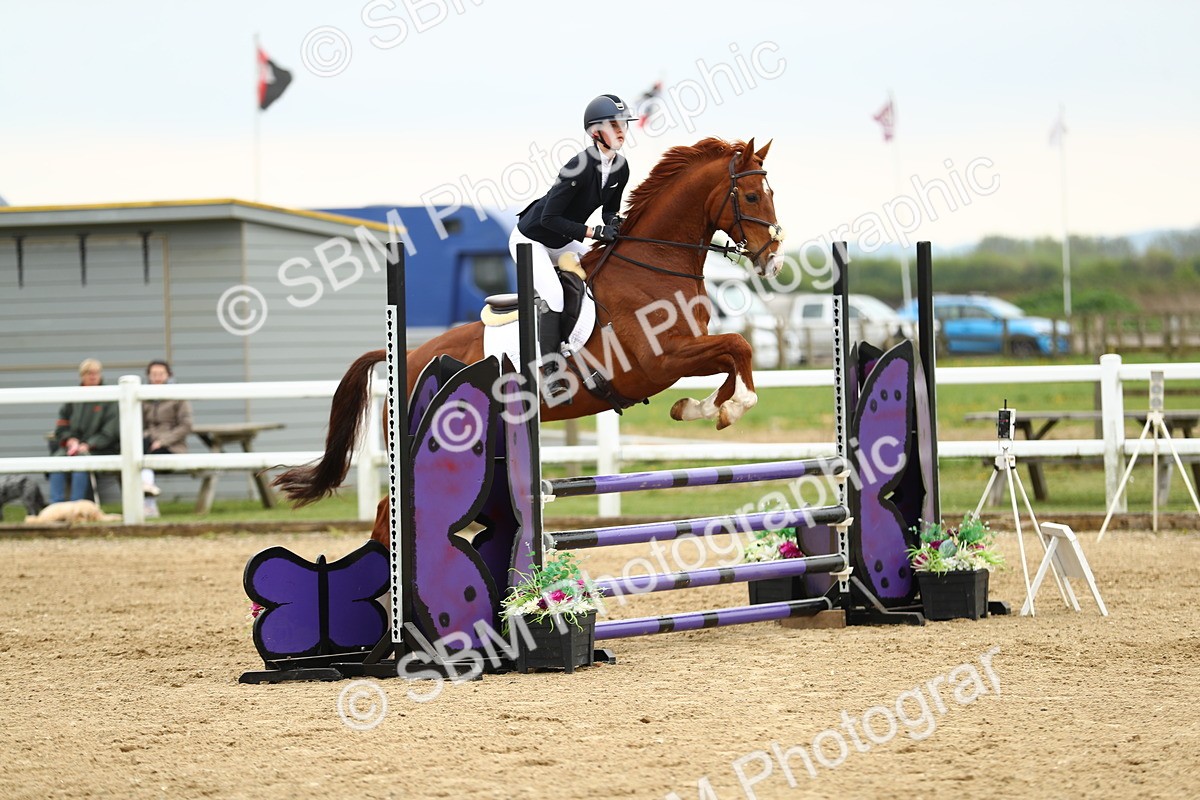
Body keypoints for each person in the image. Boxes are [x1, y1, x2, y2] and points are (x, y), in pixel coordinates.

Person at [511, 93, 635, 396]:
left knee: (605, 270)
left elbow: (609, 208)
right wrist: (593, 232)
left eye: (624, 125)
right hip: (532, 240)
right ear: (596, 133)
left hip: (565, 240)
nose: (622, 130)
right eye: (614, 125)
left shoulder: (620, 167)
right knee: (554, 295)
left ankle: (593, 348)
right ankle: (550, 371)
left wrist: (615, 223)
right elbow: (549, 218)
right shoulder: (578, 166)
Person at [49, 359, 119, 504]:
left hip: (101, 448)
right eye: (89, 373)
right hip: (72, 447)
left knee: (81, 463)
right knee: (55, 462)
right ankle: (56, 505)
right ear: (82, 375)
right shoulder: (73, 397)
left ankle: (77, 505)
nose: (93, 376)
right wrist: (70, 440)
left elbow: (110, 431)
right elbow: (62, 426)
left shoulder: (109, 398)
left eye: (96, 373)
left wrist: (88, 444)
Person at [141, 359, 193, 518]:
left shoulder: (178, 397)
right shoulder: (143, 397)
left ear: (168, 375)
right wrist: (148, 437)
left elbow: (186, 425)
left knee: (145, 459)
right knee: (138, 455)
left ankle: (148, 504)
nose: (157, 378)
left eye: (161, 374)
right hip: (148, 443)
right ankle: (148, 500)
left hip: (172, 447)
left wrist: (162, 441)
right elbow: (140, 425)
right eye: (153, 374)